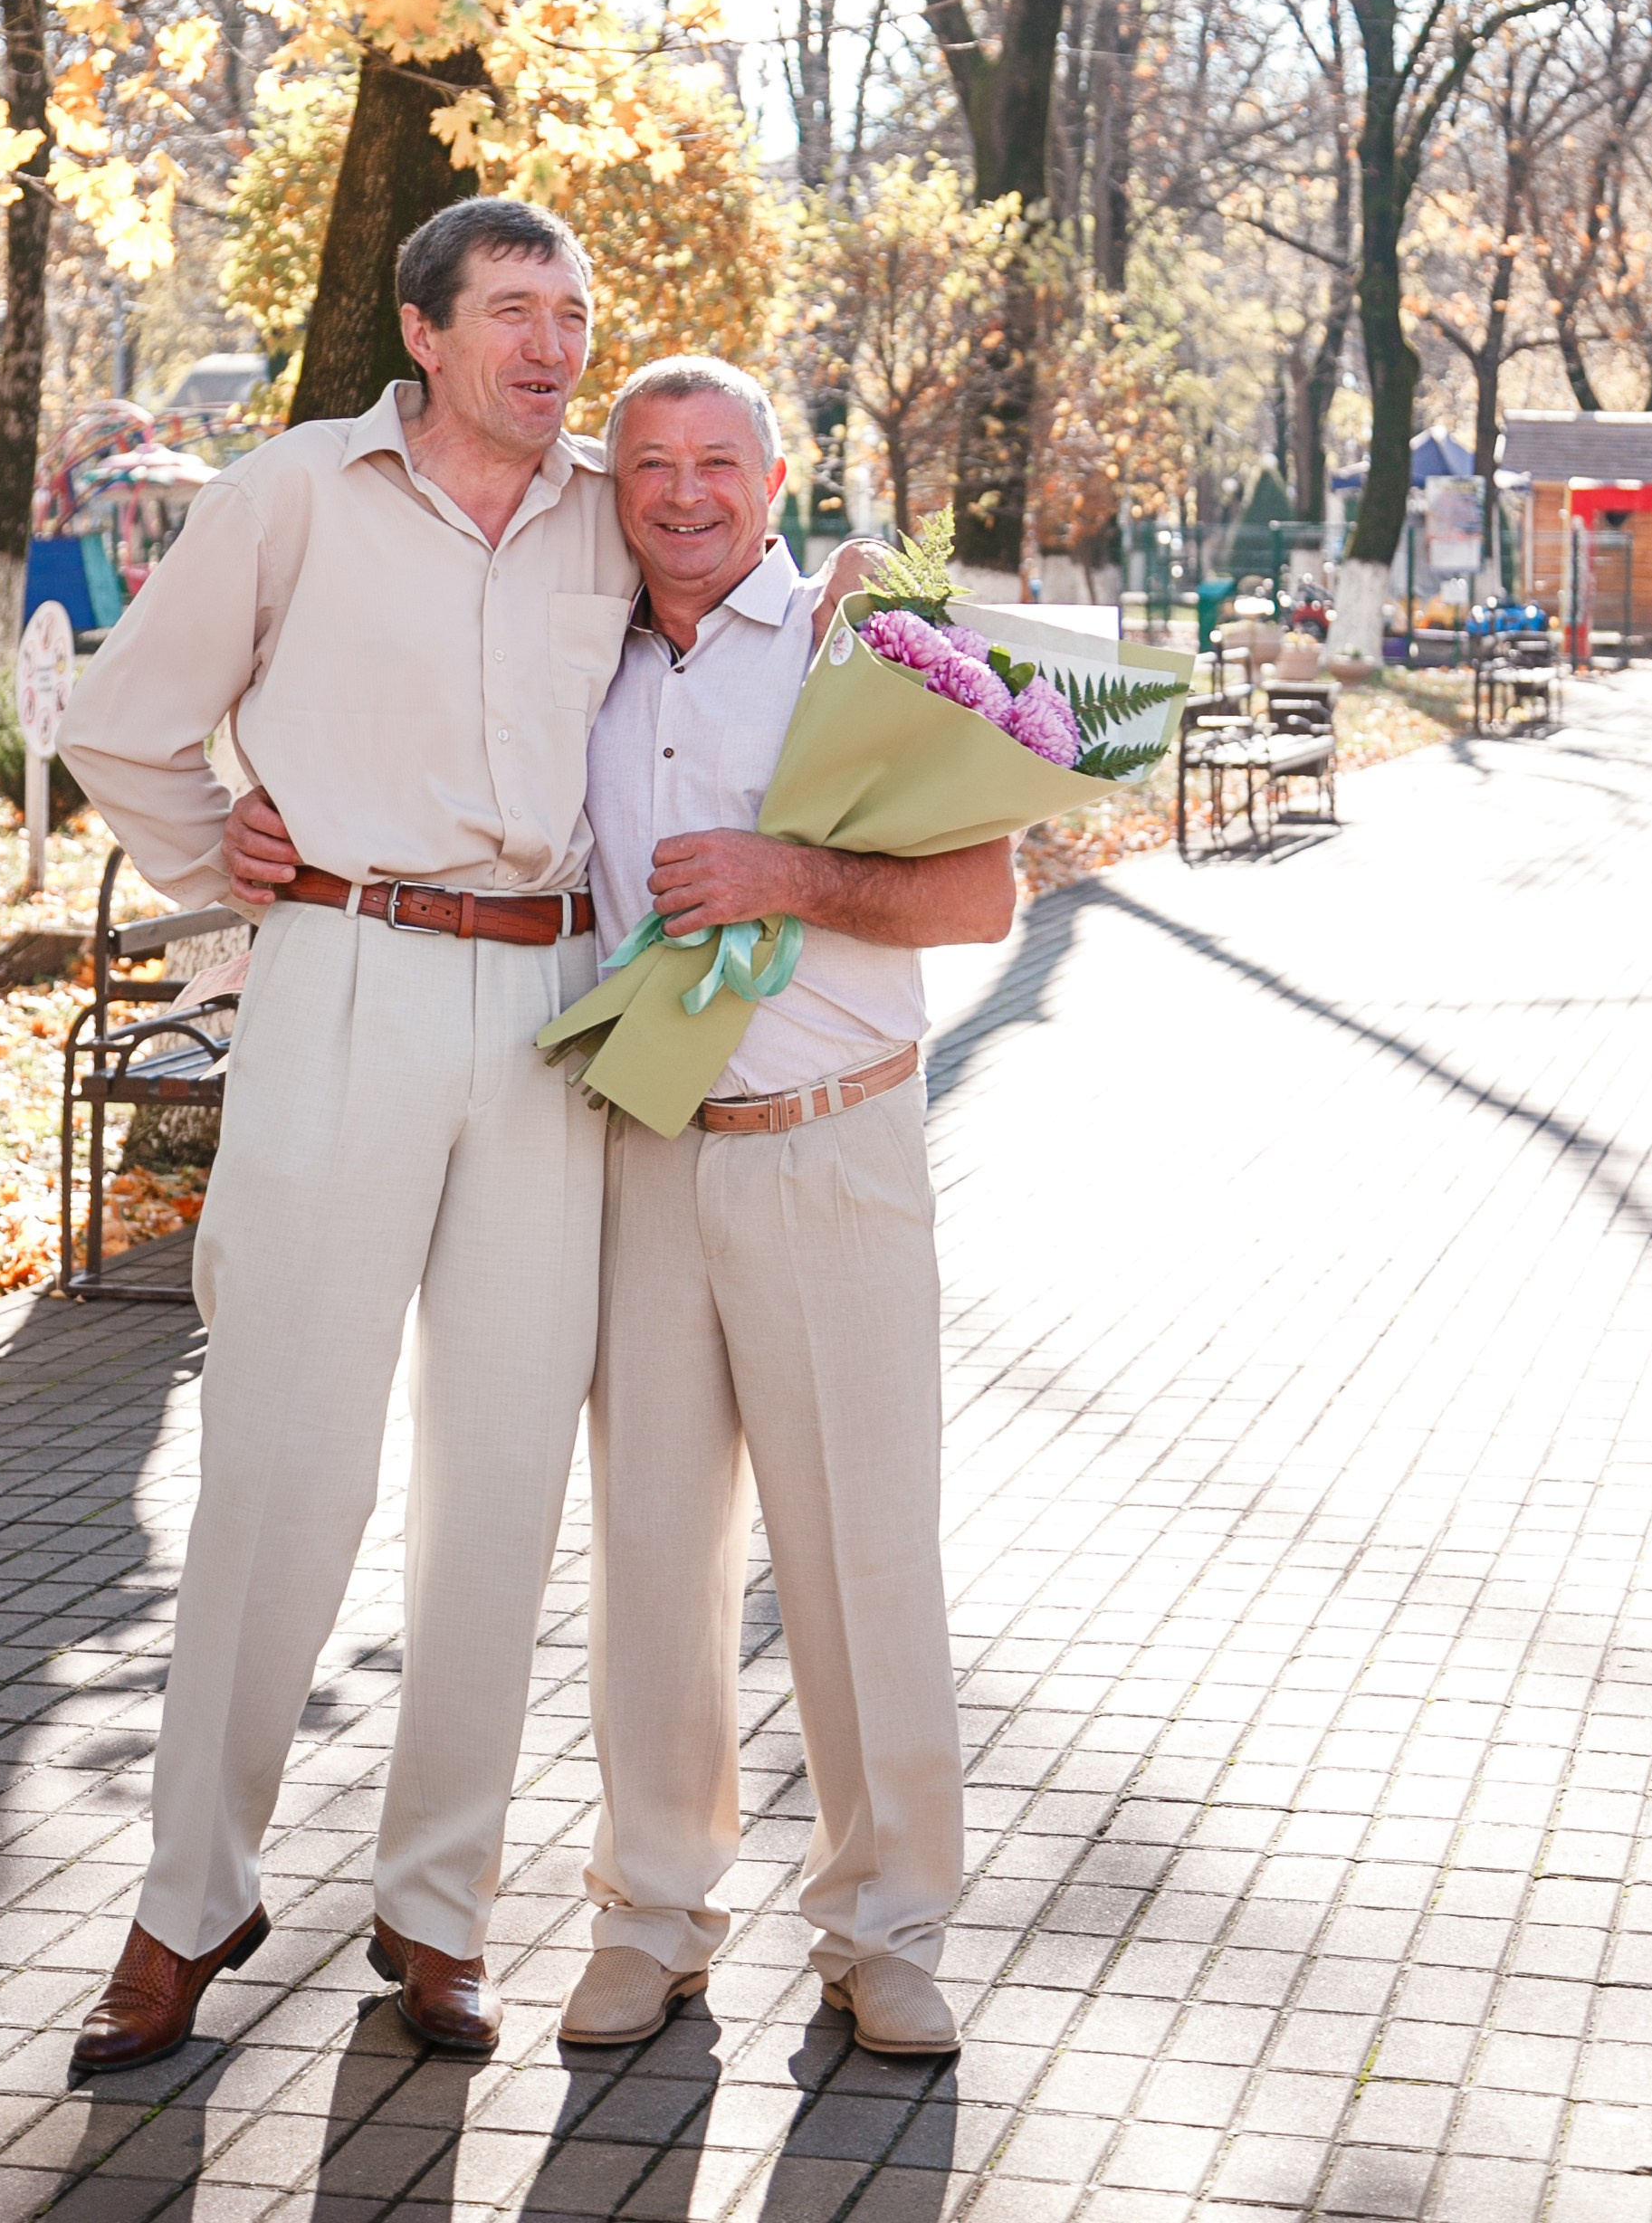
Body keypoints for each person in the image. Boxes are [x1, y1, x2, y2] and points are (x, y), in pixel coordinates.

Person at [57, 195, 636, 2070]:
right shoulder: (295, 489)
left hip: (551, 1009)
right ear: (424, 329)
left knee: (500, 1478)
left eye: (571, 314)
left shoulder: (609, 510)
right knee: (286, 1450)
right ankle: (188, 1894)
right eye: (515, 313)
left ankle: (437, 1905)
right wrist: (207, 851)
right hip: (345, 971)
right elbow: (124, 718)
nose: (552, 347)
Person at [559, 357, 1015, 2063]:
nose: (683, 494)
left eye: (718, 461)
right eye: (650, 463)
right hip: (643, 1145)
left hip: (835, 1146)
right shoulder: (576, 651)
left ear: (776, 474)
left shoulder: (866, 637)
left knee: (861, 1554)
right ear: (615, 483)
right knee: (655, 1555)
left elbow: (980, 893)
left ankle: (888, 1927)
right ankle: (652, 1914)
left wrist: (784, 877)